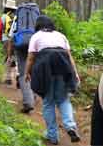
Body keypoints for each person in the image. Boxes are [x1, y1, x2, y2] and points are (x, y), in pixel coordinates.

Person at [24, 15, 81, 144]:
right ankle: (70, 126)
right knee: (63, 99)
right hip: (63, 67)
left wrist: (27, 72)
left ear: (38, 25)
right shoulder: (61, 36)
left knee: (48, 102)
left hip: (45, 70)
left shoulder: (36, 36)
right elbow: (69, 56)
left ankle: (52, 136)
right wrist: (75, 73)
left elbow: (31, 57)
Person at [0, 0, 17, 85]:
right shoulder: (16, 17)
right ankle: (16, 76)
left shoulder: (3, 17)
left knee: (7, 57)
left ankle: (7, 78)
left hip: (6, 40)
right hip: (15, 40)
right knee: (14, 57)